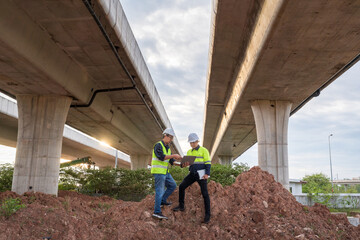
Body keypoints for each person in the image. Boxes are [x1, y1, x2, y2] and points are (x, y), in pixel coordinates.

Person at [172, 133, 211, 223]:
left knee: (205, 194)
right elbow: (185, 165)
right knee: (181, 186)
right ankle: (181, 206)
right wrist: (182, 163)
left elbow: (208, 163)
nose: (192, 144)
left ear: (197, 141)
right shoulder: (189, 152)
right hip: (192, 174)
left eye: (193, 142)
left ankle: (207, 216)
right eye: (191, 143)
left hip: (201, 174)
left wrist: (207, 174)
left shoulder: (204, 150)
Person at [151, 128, 181, 220]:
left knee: (172, 185)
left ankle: (163, 200)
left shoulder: (167, 148)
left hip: (165, 172)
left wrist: (182, 164)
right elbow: (161, 157)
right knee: (159, 191)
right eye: (170, 137)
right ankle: (156, 212)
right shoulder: (158, 145)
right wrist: (174, 155)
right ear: (165, 135)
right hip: (159, 172)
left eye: (172, 138)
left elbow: (172, 161)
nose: (171, 139)